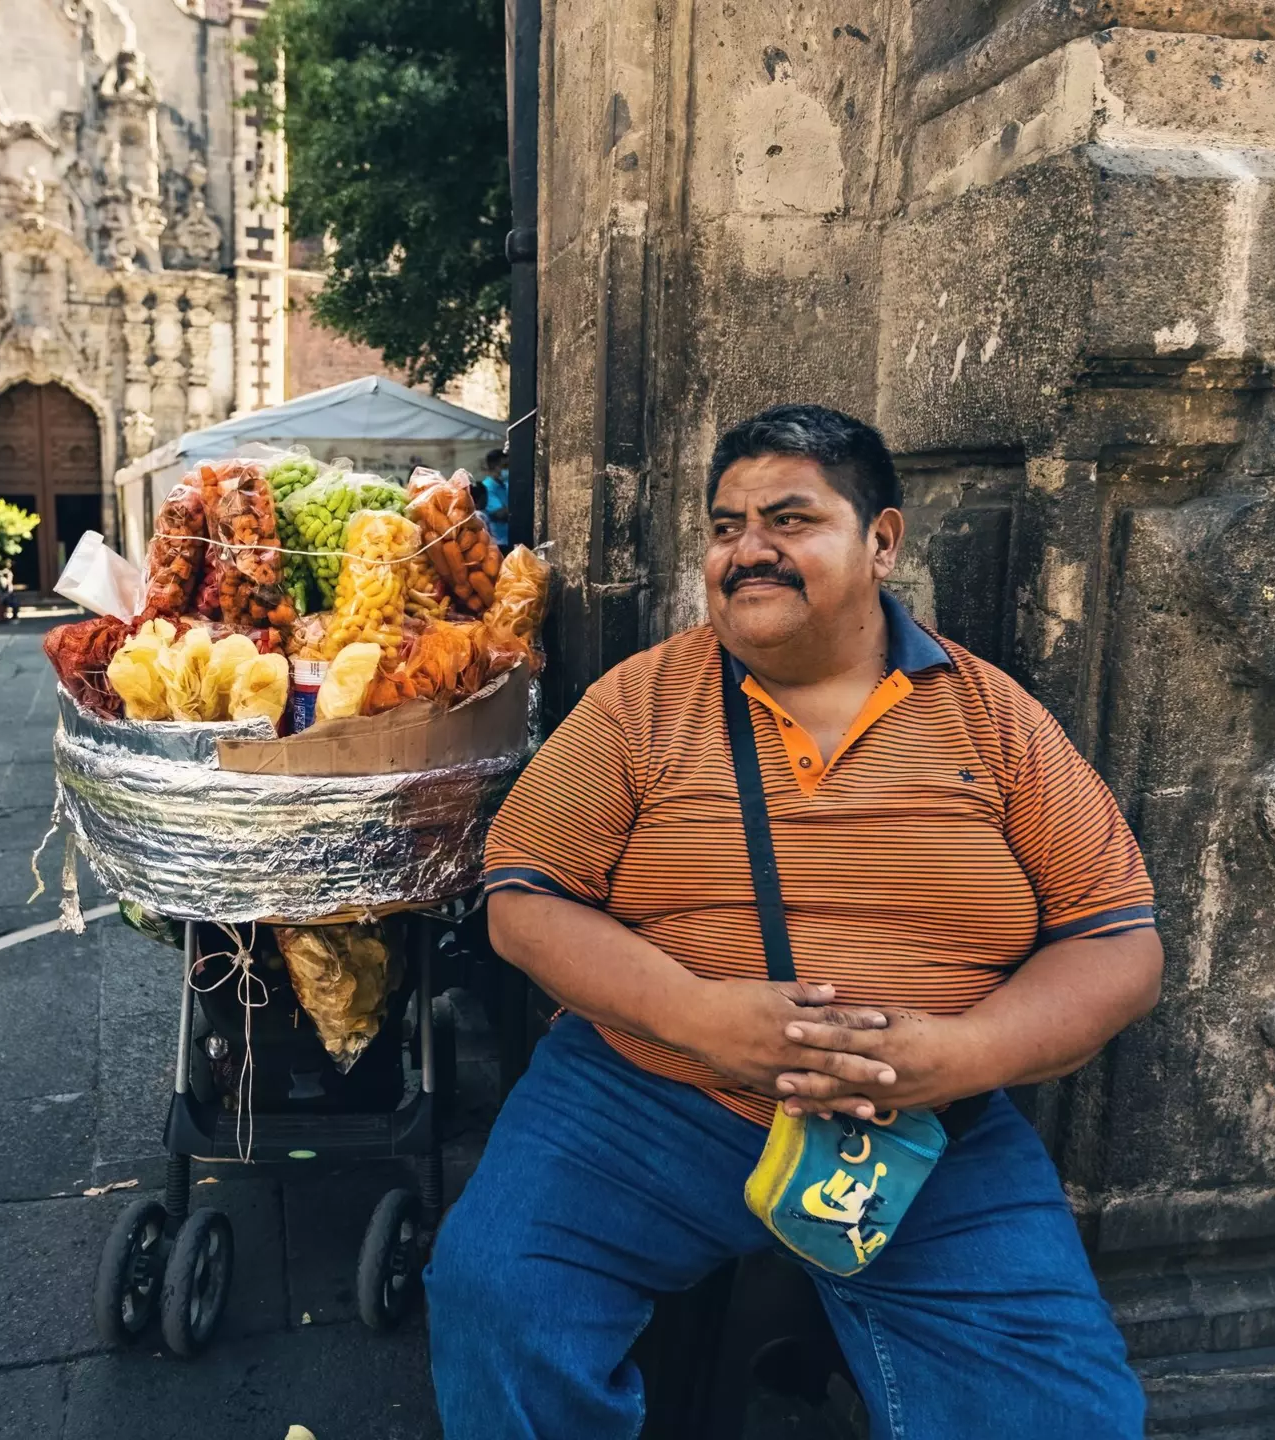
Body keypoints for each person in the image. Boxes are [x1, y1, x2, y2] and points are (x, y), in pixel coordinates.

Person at [426, 404, 1161, 1439]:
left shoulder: (993, 717)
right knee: (497, 1298)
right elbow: (524, 897)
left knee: (1064, 1416)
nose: (747, 550)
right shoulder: (639, 704)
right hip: (649, 1099)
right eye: (726, 526)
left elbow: (1117, 936)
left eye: (789, 519)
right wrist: (700, 1016)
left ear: (883, 542)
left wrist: (964, 1053)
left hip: (923, 1132)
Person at [479, 447, 511, 547]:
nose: (508, 470)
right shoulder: (487, 487)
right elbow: (500, 514)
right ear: (493, 466)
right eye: (505, 466)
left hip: (507, 540)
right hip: (497, 543)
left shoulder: (504, 485)